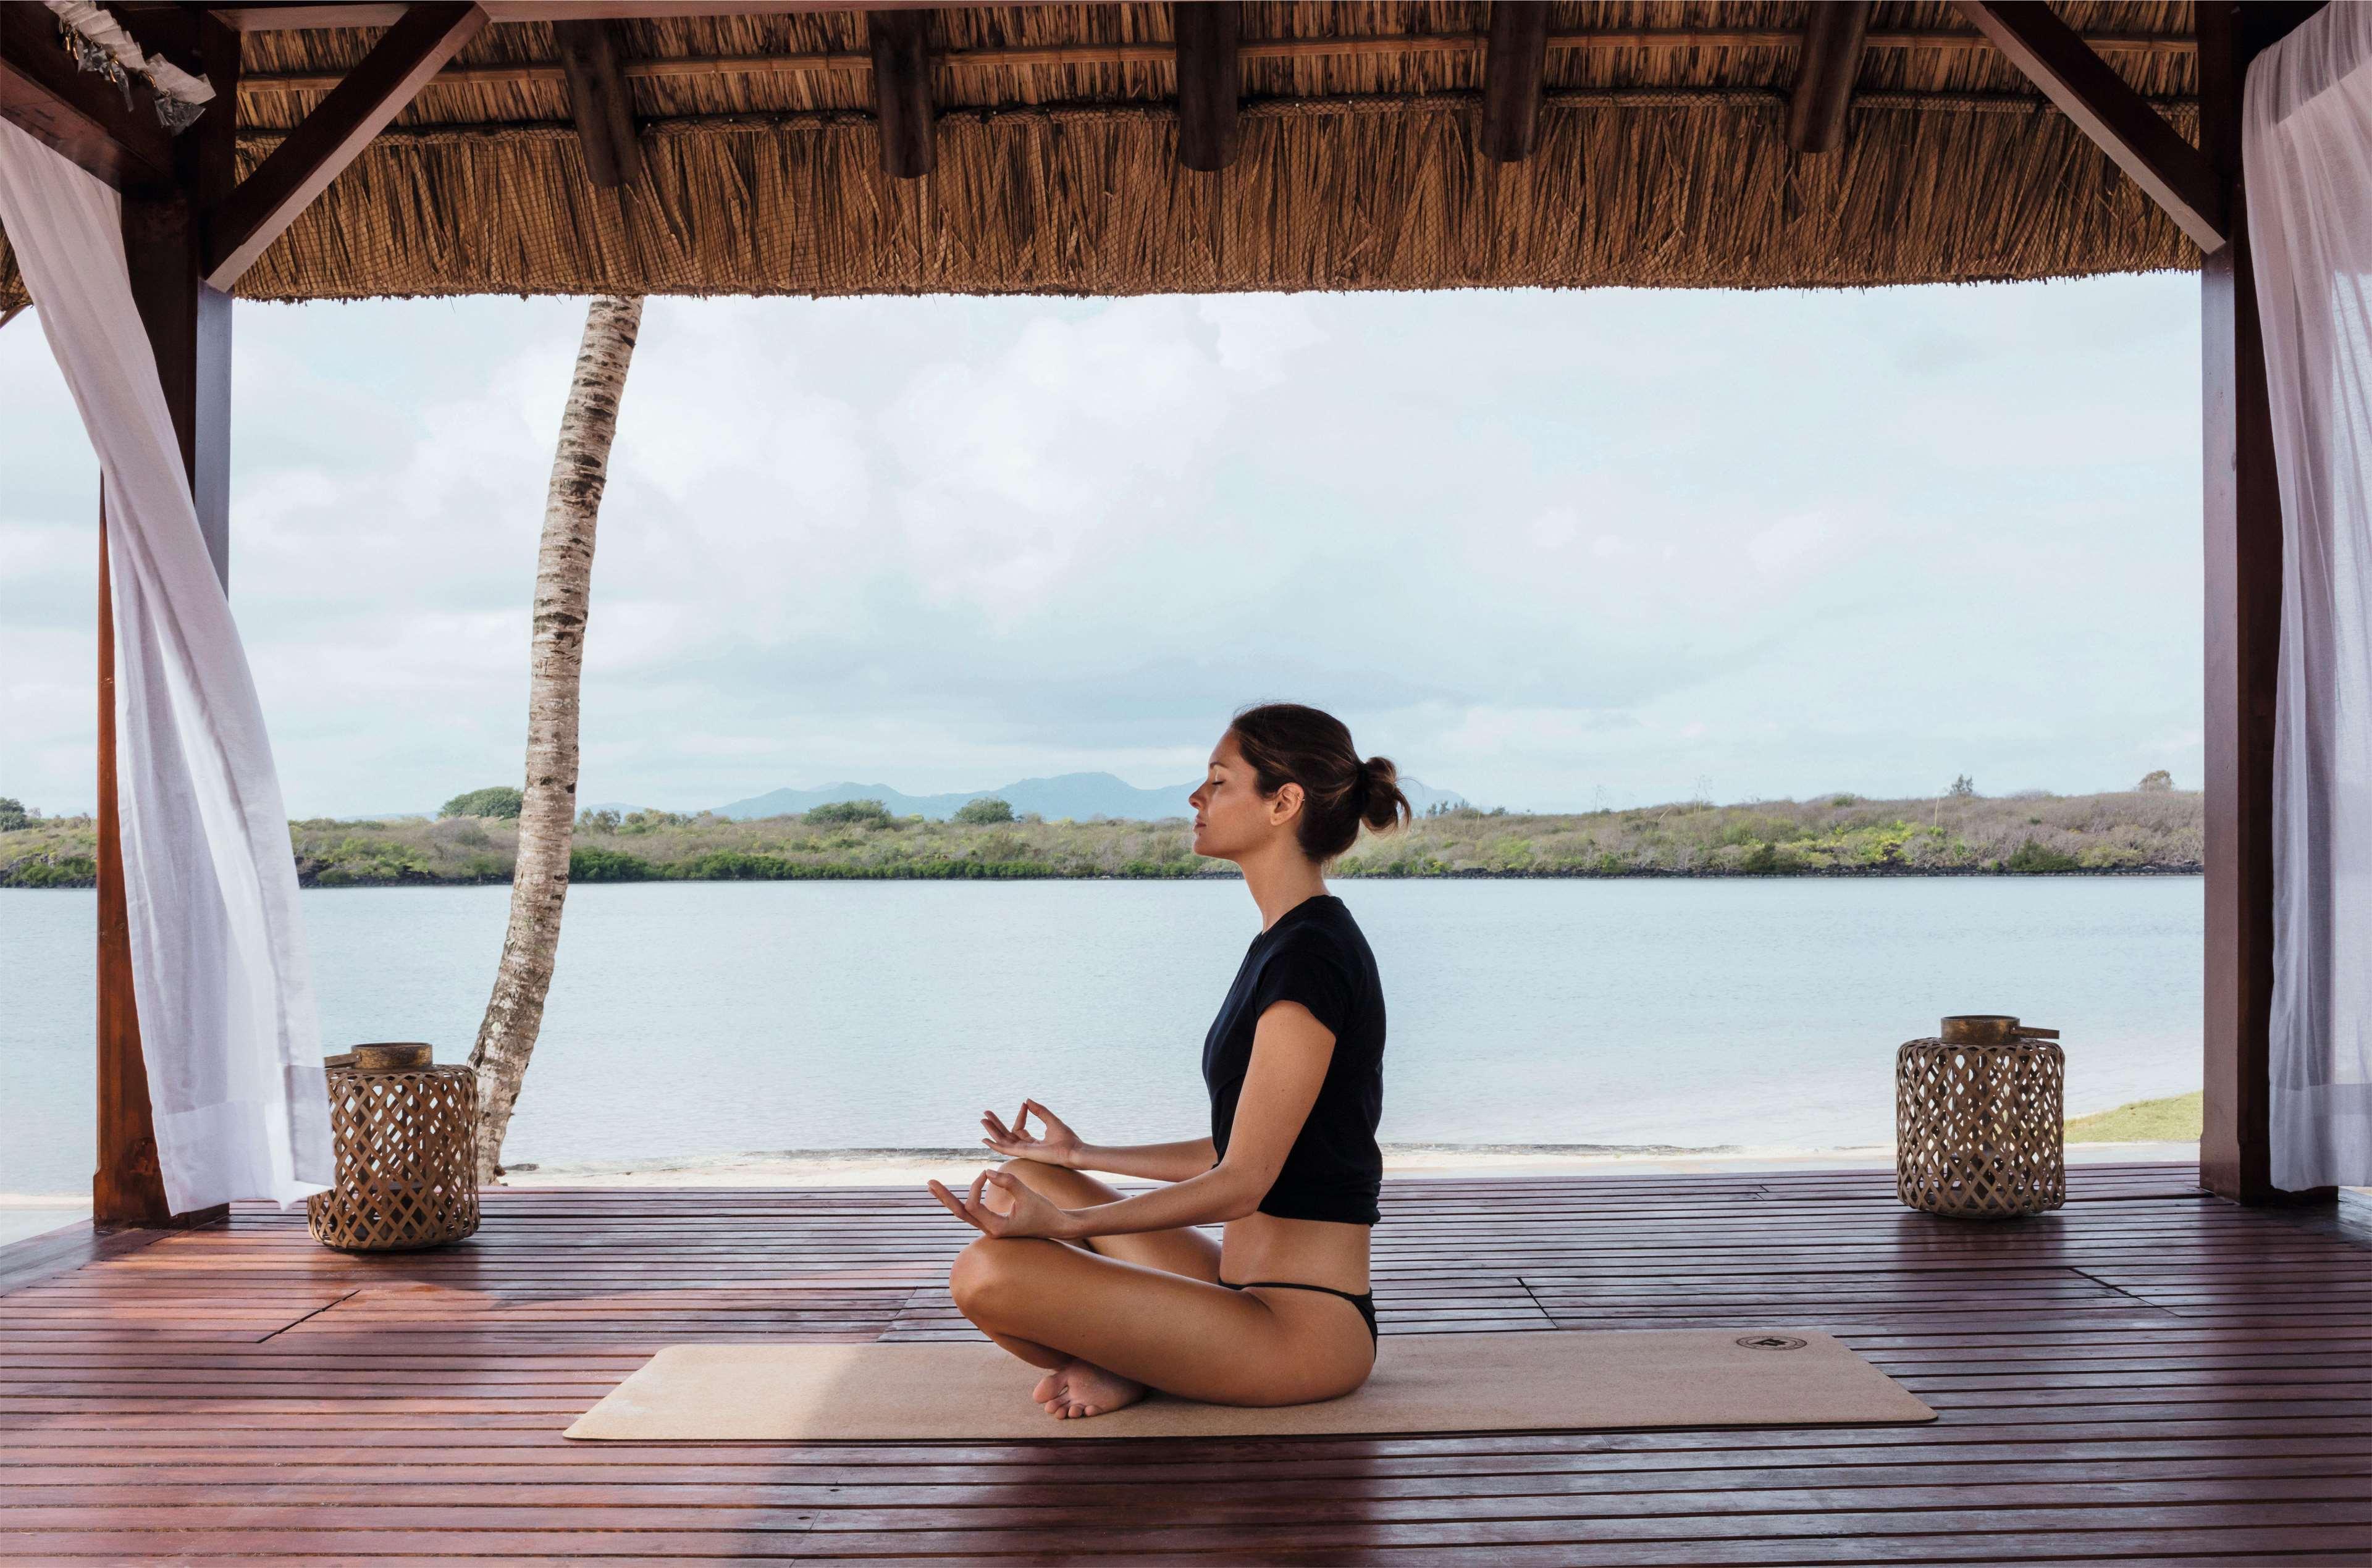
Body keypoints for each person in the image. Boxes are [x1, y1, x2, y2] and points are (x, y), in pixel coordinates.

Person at [926, 702, 1412, 1419]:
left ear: (1284, 803)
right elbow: (1236, 1147)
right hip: (1232, 1288)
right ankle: (1144, 1355)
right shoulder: (1288, 941)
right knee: (1026, 1175)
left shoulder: (1312, 957)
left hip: (1303, 1326)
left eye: (1219, 780)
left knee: (988, 1272)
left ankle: (1140, 1355)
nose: (1196, 797)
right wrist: (1081, 1152)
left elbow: (1244, 1181)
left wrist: (1061, 1228)